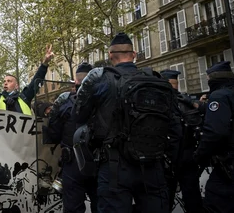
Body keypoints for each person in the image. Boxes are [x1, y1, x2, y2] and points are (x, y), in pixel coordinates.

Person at [74, 33, 180, 213]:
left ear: (109, 55)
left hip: (114, 166)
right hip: (153, 164)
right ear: (134, 54)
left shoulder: (101, 80)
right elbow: (175, 127)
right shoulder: (155, 79)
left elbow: (78, 115)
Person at [46, 62, 98, 213]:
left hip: (73, 163)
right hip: (99, 163)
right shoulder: (103, 99)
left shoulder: (64, 103)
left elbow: (53, 134)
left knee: (73, 208)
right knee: (101, 205)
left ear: (76, 81)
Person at [194, 61, 234, 213]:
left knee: (214, 205)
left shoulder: (219, 96)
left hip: (232, 164)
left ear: (213, 80)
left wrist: (199, 155)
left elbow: (215, 133)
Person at [160, 69, 204, 213]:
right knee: (192, 196)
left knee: (166, 198)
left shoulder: (160, 103)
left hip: (168, 157)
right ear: (176, 84)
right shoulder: (188, 102)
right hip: (189, 154)